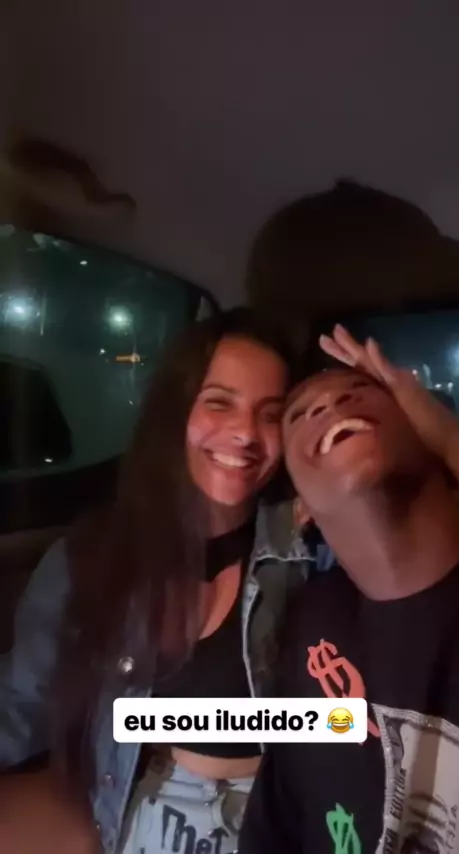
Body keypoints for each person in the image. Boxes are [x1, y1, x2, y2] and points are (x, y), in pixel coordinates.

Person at [0, 308, 324, 854]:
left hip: (270, 823)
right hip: (129, 812)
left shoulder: (314, 552)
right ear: (176, 413)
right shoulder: (89, 556)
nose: (245, 433)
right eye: (219, 402)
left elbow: (344, 721)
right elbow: (19, 704)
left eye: (269, 414)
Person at [240, 327, 459, 853]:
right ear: (301, 504)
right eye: (299, 415)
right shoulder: (313, 620)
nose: (329, 404)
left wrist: (451, 440)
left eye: (360, 393)